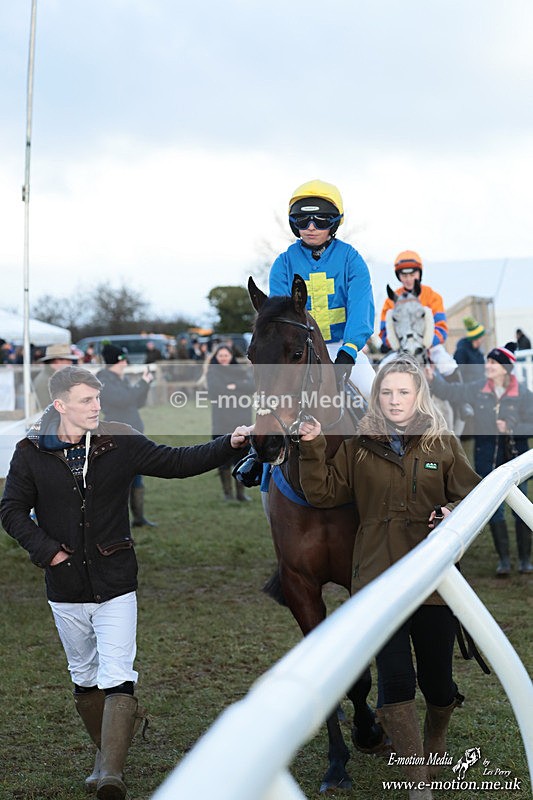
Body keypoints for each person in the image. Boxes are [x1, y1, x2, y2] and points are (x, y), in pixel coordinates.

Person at [0, 365, 251, 799]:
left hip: (116, 577)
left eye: (98, 399)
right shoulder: (29, 452)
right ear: (60, 405)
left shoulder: (120, 439)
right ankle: (106, 756)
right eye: (86, 401)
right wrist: (49, 552)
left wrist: (228, 443)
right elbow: (11, 511)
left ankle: (110, 777)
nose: (97, 407)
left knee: (117, 673)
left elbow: (177, 462)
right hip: (64, 585)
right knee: (83, 675)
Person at [297, 355, 480, 800]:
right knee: (395, 681)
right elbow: (322, 491)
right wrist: (313, 445)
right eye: (386, 392)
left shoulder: (441, 442)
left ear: (419, 395)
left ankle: (434, 740)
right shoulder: (359, 445)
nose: (394, 400)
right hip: (379, 581)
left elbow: (475, 495)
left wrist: (454, 511)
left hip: (435, 581)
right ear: (375, 395)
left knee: (438, 683)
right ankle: (418, 782)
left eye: (403, 392)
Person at [427, 343, 533, 576]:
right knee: (494, 511)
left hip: (516, 462)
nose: (488, 366)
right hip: (486, 461)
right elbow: (452, 392)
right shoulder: (478, 388)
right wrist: (434, 379)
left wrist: (512, 428)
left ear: (505, 368)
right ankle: (504, 560)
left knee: (520, 510)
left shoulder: (523, 394)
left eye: (493, 363)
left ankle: (525, 560)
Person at [269, 178, 376, 396]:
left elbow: (360, 308)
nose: (311, 227)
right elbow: (279, 315)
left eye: (321, 221)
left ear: (335, 223)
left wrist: (349, 351)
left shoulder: (351, 259)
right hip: (300, 351)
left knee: (378, 396)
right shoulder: (283, 263)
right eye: (302, 221)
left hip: (343, 349)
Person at [96, 344, 156, 528]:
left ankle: (139, 517)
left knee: (136, 475)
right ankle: (118, 522)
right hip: (116, 434)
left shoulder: (120, 378)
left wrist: (145, 385)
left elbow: (136, 402)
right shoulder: (103, 378)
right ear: (116, 360)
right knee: (119, 480)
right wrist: (142, 383)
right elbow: (121, 399)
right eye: (123, 358)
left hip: (133, 432)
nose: (126, 362)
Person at [380, 251, 456, 377]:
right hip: (402, 348)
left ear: (419, 273)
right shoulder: (390, 301)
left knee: (447, 366)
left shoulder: (433, 296)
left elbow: (441, 328)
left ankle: (454, 394)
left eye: (412, 274)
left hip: (430, 347)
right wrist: (404, 345)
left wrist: (423, 345)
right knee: (383, 368)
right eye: (404, 275)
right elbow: (384, 332)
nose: (408, 279)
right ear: (398, 276)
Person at [206, 344, 253, 502]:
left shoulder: (239, 371)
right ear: (216, 357)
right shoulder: (213, 372)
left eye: (226, 355)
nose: (223, 358)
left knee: (242, 456)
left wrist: (235, 386)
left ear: (231, 356)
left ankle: (241, 493)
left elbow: (251, 386)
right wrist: (235, 389)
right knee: (223, 457)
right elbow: (215, 390)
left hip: (242, 419)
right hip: (222, 420)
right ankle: (228, 494)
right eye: (220, 356)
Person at [32, 343, 79, 409]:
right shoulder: (44, 381)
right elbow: (48, 410)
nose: (71, 363)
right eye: (68, 360)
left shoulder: (56, 378)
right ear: (57, 361)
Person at [453, 316, 486, 382]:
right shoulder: (462, 351)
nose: (483, 339)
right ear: (477, 338)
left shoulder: (478, 352)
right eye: (482, 336)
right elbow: (458, 373)